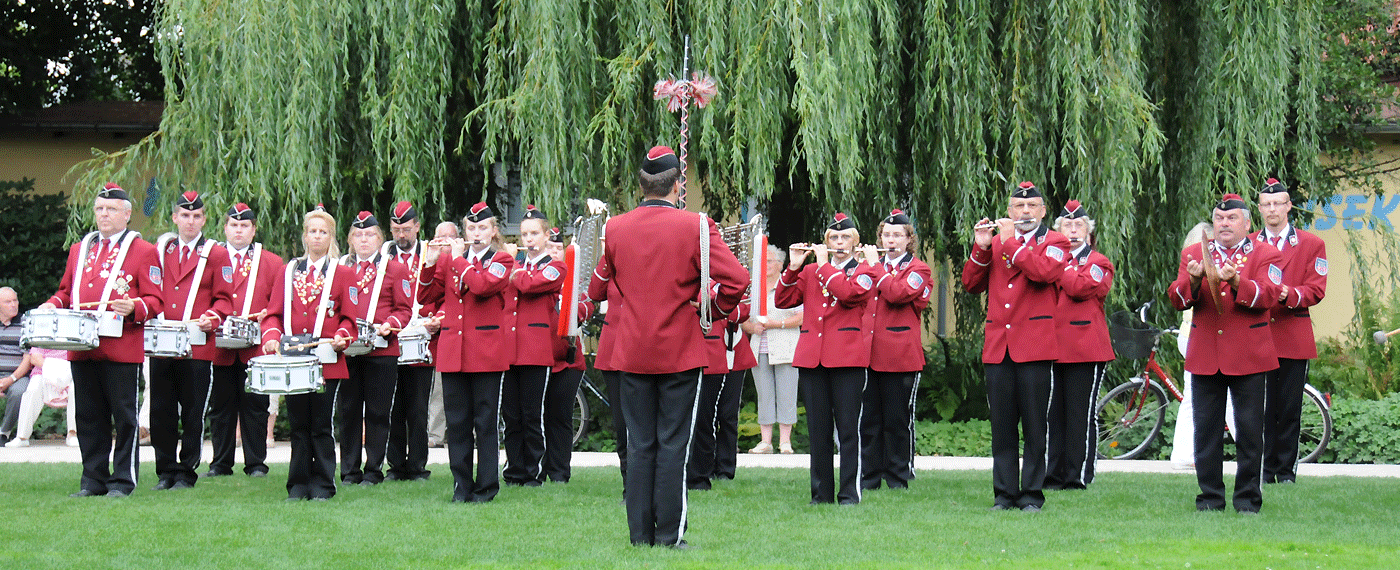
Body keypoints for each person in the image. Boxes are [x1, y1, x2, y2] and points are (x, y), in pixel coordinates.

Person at [587, 145, 748, 547]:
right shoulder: (697, 225)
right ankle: (669, 535)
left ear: (641, 185)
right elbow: (738, 281)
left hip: (631, 349)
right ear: (678, 185)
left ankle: (640, 535)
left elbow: (599, 287)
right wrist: (710, 306)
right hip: (679, 349)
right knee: (674, 445)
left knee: (640, 445)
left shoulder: (617, 228)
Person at [40, 183, 164, 498]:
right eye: (99, 209)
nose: (103, 214)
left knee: (124, 417)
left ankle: (123, 481)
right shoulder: (79, 249)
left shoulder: (144, 250)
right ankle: (92, 481)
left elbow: (155, 299)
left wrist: (134, 307)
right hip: (82, 348)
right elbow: (66, 291)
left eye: (110, 209)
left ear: (127, 214)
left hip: (121, 347)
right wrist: (51, 305)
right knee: (88, 417)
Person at [1168, 192, 1282, 514]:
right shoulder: (1194, 252)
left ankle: (1247, 501)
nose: (1224, 224)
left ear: (1247, 223)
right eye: (1219, 219)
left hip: (1249, 354)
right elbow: (1177, 298)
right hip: (1206, 354)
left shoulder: (1266, 253)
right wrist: (1191, 279)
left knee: (1248, 432)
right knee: (1205, 433)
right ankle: (1210, 500)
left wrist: (1237, 282)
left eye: (1231, 219)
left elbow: (1270, 296)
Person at [960, 181, 1070, 512]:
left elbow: (1043, 272)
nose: (1024, 212)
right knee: (1003, 428)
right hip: (999, 347)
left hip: (1035, 347)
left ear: (1043, 211)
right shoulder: (994, 243)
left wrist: (1010, 243)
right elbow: (970, 283)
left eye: (1031, 206)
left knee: (1036, 426)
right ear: (1009, 211)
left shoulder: (1055, 241)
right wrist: (980, 247)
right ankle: (1004, 495)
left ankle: (1032, 496)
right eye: (1018, 207)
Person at [776, 213, 878, 505]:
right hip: (812, 359)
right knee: (818, 431)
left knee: (848, 430)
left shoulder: (866, 272)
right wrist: (794, 267)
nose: (839, 242)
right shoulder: (810, 272)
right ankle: (820, 494)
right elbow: (783, 301)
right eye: (833, 238)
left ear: (856, 242)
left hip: (847, 359)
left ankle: (849, 493)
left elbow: (846, 294)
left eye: (845, 237)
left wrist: (821, 265)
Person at [417, 202, 514, 503]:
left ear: (494, 231)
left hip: (485, 353)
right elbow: (424, 296)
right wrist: (431, 263)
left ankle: (486, 488)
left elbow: (482, 285)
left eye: (482, 227)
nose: (476, 233)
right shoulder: (450, 262)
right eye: (471, 228)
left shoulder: (501, 260)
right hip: (452, 352)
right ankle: (461, 486)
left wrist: (457, 260)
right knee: (457, 423)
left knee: (485, 423)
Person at [261, 207, 356, 501]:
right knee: (300, 424)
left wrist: (342, 336)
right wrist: (272, 338)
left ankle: (323, 484)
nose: (317, 236)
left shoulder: (342, 273)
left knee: (321, 424)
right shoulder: (287, 271)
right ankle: (298, 484)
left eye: (323, 232)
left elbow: (349, 319)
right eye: (312, 231)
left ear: (331, 238)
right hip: (293, 360)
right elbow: (273, 314)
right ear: (305, 236)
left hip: (326, 359)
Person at [148, 191, 234, 490]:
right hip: (163, 343)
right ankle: (165, 470)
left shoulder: (216, 253)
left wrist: (213, 317)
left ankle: (187, 470)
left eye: (196, 216)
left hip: (197, 344)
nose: (190, 221)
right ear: (174, 218)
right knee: (161, 410)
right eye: (185, 215)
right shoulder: (161, 250)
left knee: (194, 411)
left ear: (204, 220)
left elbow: (225, 299)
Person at [1250, 178, 1327, 484]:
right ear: (1259, 208)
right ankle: (1263, 470)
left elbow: (1316, 289)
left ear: (1288, 206)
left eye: (1278, 203)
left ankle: (1285, 472)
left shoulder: (1311, 244)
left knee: (1288, 407)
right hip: (1256, 334)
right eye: (1266, 204)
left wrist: (1288, 294)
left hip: (1292, 333)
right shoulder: (1250, 244)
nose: (1272, 209)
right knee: (1258, 409)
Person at [208, 203, 282, 478]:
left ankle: (256, 463)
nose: (239, 230)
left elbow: (278, 303)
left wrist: (268, 315)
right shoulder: (212, 258)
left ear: (253, 230)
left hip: (254, 347)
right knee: (220, 408)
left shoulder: (271, 262)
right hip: (220, 346)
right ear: (225, 228)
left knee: (255, 408)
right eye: (234, 225)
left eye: (244, 226)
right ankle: (220, 463)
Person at [338, 211, 411, 486]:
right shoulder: (342, 268)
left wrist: (389, 324)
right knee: (349, 411)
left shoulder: (395, 269)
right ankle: (349, 470)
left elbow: (403, 309)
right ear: (351, 240)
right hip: (349, 349)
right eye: (358, 234)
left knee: (379, 412)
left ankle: (373, 470)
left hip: (382, 350)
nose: (363, 239)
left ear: (380, 239)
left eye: (369, 234)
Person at [861, 209, 933, 491]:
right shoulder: (870, 265)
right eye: (886, 235)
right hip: (868, 354)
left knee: (898, 419)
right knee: (870, 419)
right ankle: (870, 475)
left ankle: (899, 475)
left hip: (900, 355)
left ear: (908, 240)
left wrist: (874, 269)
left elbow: (897, 293)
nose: (891, 241)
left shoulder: (919, 269)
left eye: (897, 236)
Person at [1046, 200, 1114, 490]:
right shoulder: (1048, 259)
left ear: (1089, 232)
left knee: (1079, 414)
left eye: (1079, 225)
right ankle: (1053, 474)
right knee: (1052, 415)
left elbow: (1080, 288)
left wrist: (1057, 266)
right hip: (1050, 346)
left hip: (1086, 348)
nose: (1072, 231)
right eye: (1066, 226)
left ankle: (1078, 474)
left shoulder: (1098, 262)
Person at [501, 205, 566, 487]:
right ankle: (514, 469)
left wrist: (509, 263)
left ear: (545, 236)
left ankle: (534, 471)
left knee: (532, 414)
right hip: (509, 348)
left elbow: (528, 285)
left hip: (536, 349)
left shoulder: (555, 266)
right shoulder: (514, 264)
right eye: (524, 234)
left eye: (534, 234)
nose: (528, 239)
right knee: (511, 415)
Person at [384, 201, 435, 481]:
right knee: (393, 406)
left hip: (421, 339)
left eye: (406, 229)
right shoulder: (384, 258)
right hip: (391, 339)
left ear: (417, 226)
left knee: (417, 407)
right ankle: (395, 465)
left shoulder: (429, 255)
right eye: (395, 230)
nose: (401, 236)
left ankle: (417, 465)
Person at [688, 302, 754, 490]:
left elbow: (741, 312)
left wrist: (712, 304)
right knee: (704, 417)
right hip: (708, 353)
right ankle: (704, 467)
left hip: (733, 353)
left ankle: (725, 467)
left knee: (728, 414)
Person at [742, 245, 801, 455]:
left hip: (785, 346)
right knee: (764, 395)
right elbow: (743, 318)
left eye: (769, 261)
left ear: (780, 264)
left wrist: (778, 324)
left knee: (787, 393)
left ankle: (785, 442)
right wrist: (751, 327)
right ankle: (765, 441)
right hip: (759, 347)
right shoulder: (753, 289)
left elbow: (802, 316)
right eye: (762, 262)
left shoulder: (790, 286)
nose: (765, 266)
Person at [543, 228, 588, 483]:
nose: (552, 252)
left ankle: (559, 471)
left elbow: (589, 300)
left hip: (568, 360)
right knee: (536, 416)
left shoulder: (573, 279)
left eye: (557, 248)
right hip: (540, 358)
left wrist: (578, 310)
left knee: (560, 416)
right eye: (548, 247)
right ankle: (536, 467)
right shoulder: (535, 276)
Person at [1170, 222, 1211, 470]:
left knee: (1191, 397)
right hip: (1197, 336)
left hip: (1187, 335)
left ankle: (1183, 453)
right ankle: (1246, 447)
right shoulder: (1200, 262)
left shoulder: (1188, 261)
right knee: (1225, 395)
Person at [425, 220, 460, 449]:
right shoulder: (430, 261)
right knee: (435, 391)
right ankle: (434, 437)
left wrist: (441, 316)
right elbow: (424, 294)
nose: (444, 242)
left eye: (450, 237)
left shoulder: (462, 260)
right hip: (434, 336)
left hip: (457, 334)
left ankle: (462, 435)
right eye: (440, 237)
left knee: (455, 392)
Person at [6, 347, 77, 447]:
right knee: (32, 390)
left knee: (76, 389)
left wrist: (65, 371)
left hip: (70, 370)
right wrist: (53, 370)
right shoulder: (41, 331)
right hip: (43, 370)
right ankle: (22, 437)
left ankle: (73, 434)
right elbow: (34, 358)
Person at [0, 286, 28, 446]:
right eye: (7, 302)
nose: (13, 305)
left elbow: (28, 358)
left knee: (19, 392)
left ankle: (4, 432)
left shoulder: (25, 323)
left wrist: (9, 380)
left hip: (17, 376)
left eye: (15, 300)